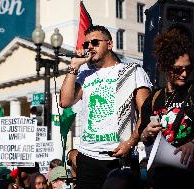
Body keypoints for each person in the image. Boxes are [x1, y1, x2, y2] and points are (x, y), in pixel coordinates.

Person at [60, 25, 152, 189]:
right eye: (86, 44)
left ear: (109, 44)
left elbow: (146, 112)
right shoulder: (84, 74)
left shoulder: (132, 71)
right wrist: (74, 65)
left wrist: (130, 142)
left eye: (95, 42)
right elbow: (65, 102)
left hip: (119, 156)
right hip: (89, 157)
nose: (89, 47)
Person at [138, 28, 194, 189]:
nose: (185, 74)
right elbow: (144, 136)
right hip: (163, 177)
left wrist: (193, 144)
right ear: (165, 66)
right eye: (178, 69)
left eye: (188, 68)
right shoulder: (154, 98)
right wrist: (146, 133)